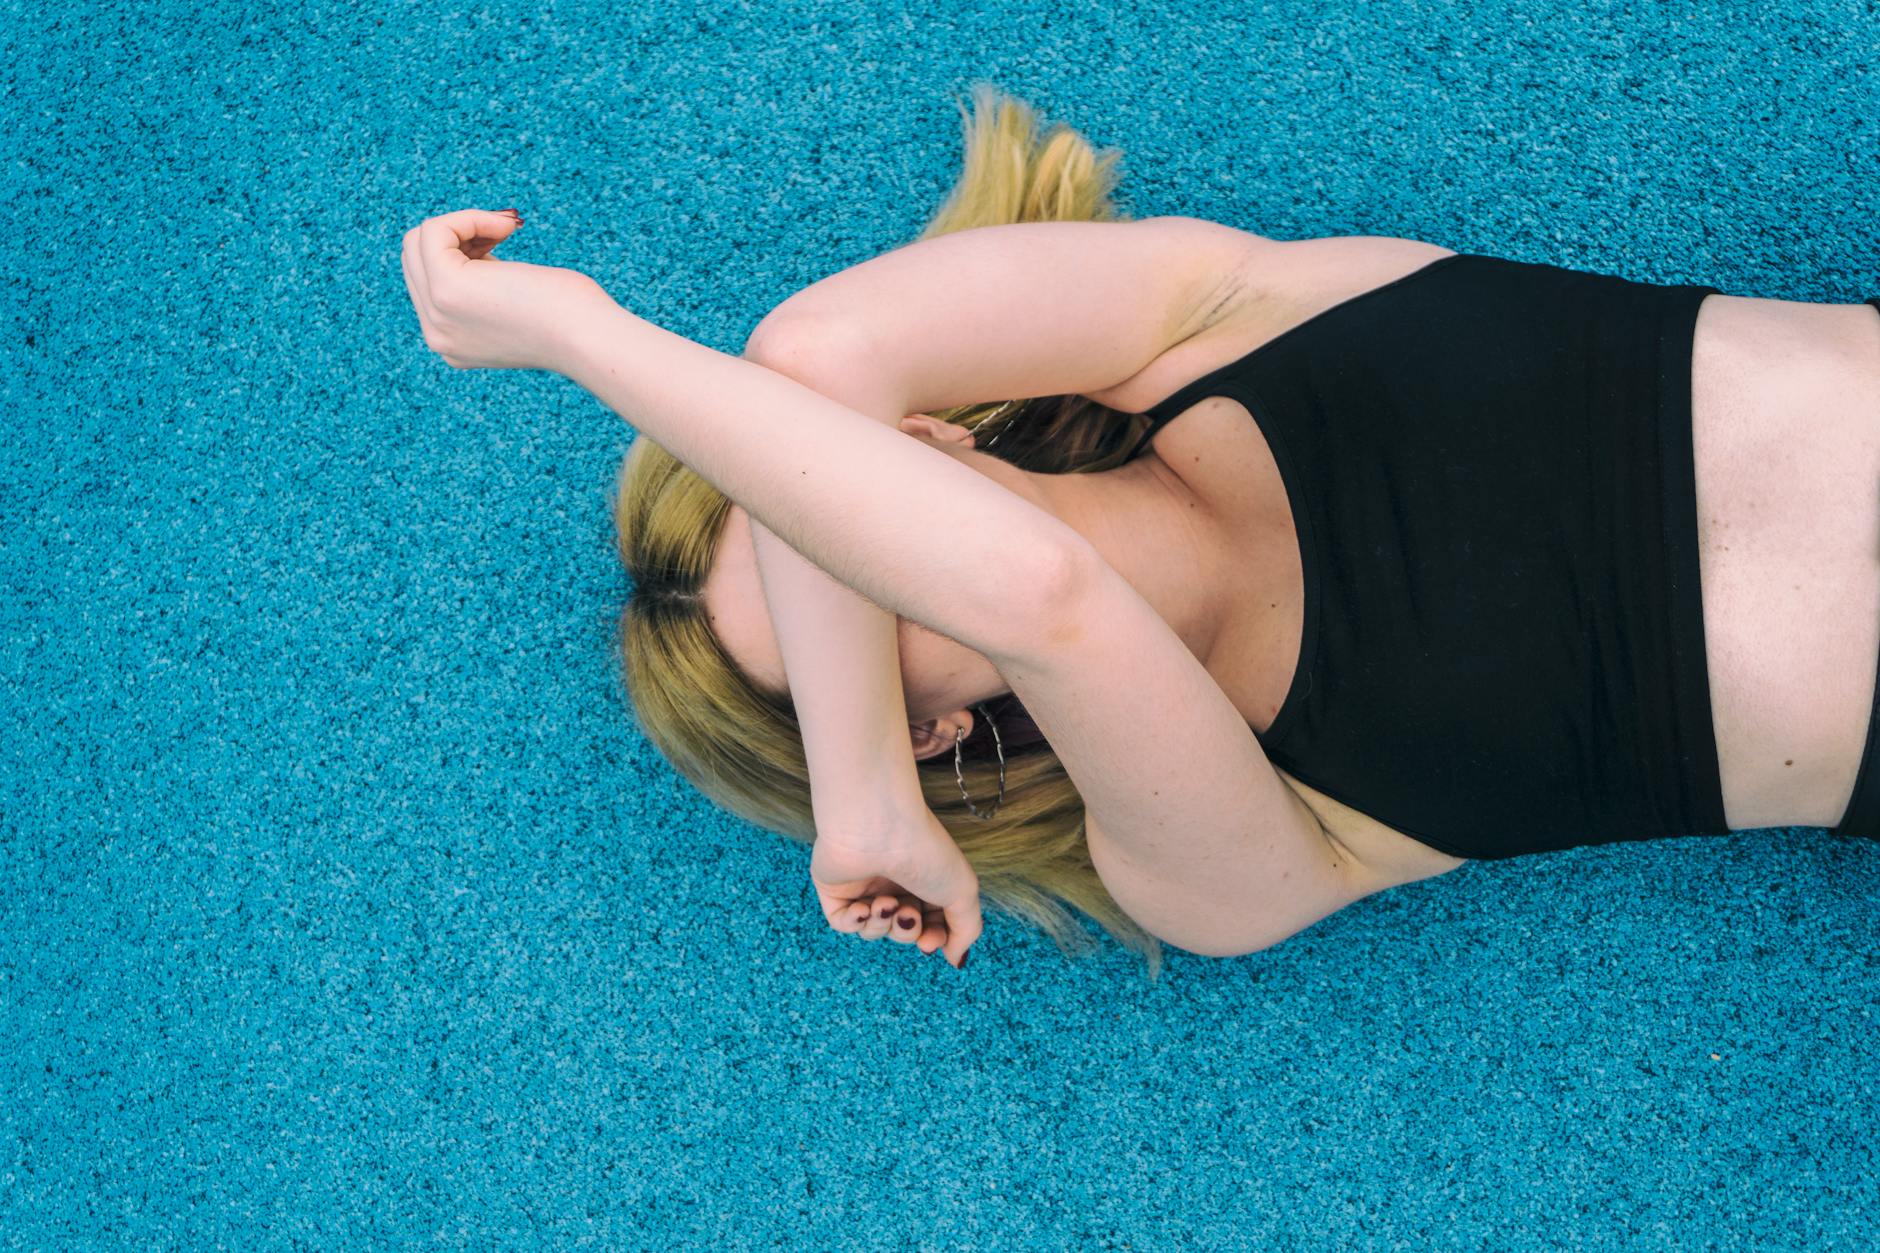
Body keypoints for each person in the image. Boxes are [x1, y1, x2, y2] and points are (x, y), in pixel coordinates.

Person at [399, 84, 1880, 983]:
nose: (866, 545)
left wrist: (581, 335)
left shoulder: (1207, 321)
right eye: (846, 588)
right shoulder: (1205, 861)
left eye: (822, 513)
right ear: (929, 736)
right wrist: (863, 807)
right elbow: (1044, 596)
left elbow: (811, 355)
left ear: (926, 432)